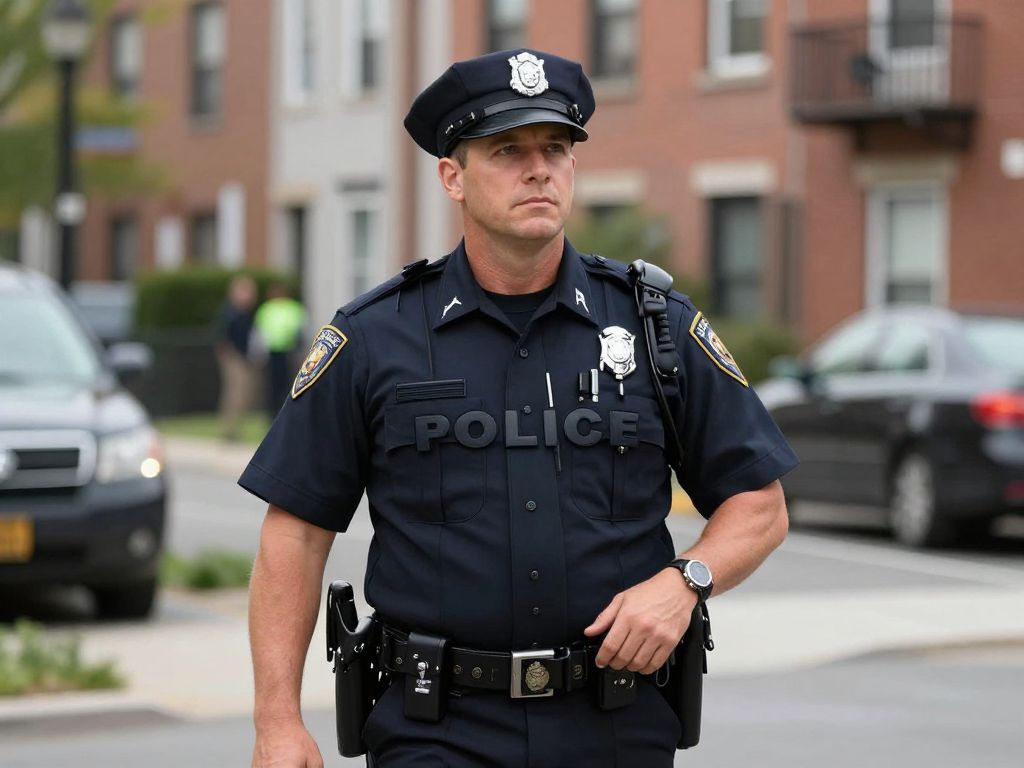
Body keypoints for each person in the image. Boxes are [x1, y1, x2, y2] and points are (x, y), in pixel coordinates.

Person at [240, 49, 798, 768]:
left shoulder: (653, 326)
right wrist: (276, 720)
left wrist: (683, 582)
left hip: (617, 726)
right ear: (453, 176)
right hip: (436, 729)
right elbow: (295, 533)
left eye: (556, 149)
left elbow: (761, 504)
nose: (540, 169)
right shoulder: (375, 337)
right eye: (508, 151)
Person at [253, 282, 307, 417]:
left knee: (289, 383)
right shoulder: (266, 309)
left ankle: (287, 411)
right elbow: (259, 332)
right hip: (271, 353)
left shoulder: (293, 308)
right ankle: (272, 414)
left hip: (290, 351)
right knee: (272, 386)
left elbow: (301, 328)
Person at [216, 274, 258, 442]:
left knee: (245, 394)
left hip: (244, 357)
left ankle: (236, 428)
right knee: (234, 393)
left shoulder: (246, 314)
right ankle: (229, 429)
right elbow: (223, 338)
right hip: (233, 357)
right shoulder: (230, 313)